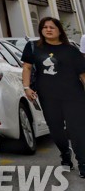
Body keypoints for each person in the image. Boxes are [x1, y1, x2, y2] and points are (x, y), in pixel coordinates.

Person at [22, 16, 85, 177]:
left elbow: (82, 74)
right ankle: (65, 153)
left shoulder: (71, 50)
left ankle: (83, 162)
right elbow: (27, 68)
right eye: (45, 27)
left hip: (74, 96)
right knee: (56, 130)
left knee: (76, 130)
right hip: (48, 97)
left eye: (52, 27)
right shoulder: (33, 47)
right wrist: (26, 87)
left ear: (59, 31)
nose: (48, 30)